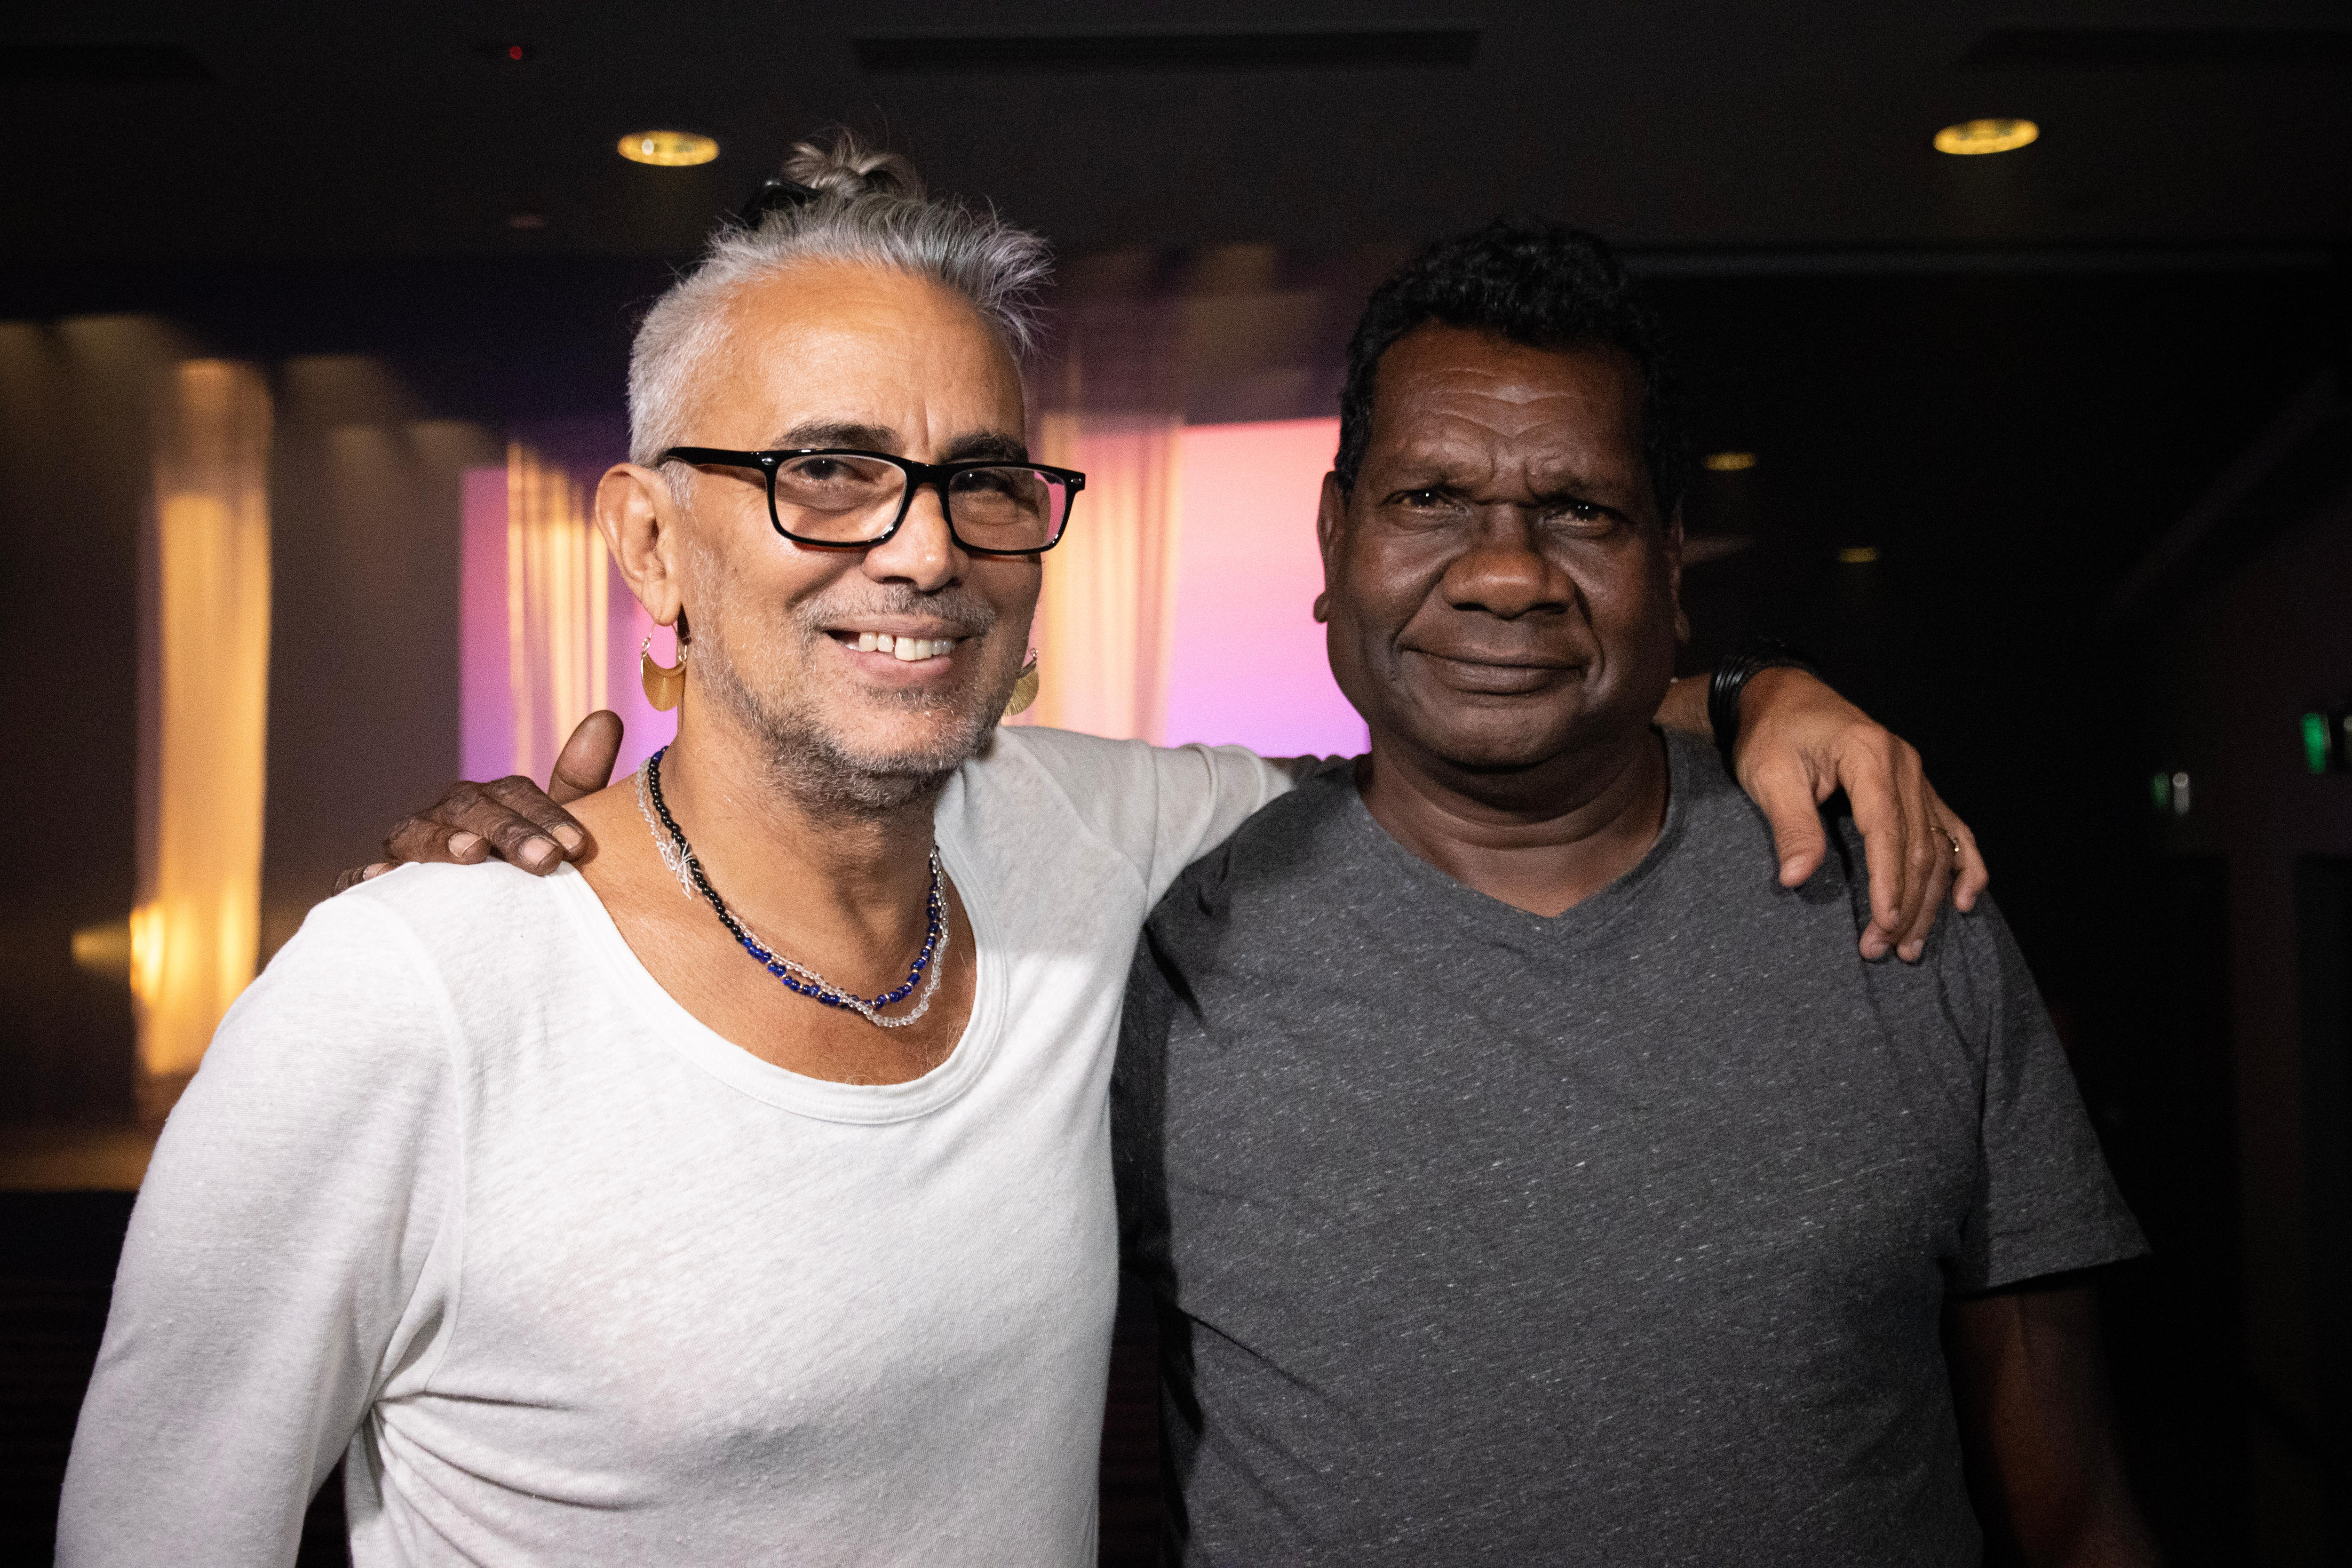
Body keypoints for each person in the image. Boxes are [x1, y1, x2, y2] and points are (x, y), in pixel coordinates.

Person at [61, 138, 1973, 1566]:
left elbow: (1458, 726)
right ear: (649, 543)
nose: (920, 547)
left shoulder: (1097, 843)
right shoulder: (409, 997)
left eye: (981, 479)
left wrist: (1748, 694)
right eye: (824, 472)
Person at [1112, 220, 2157, 1565]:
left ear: (1669, 565)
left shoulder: (1893, 896)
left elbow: (2075, 1516)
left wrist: (1755, 687)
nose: (1505, 574)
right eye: (1429, 498)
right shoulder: (1169, 951)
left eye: (1581, 512)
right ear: (1334, 540)